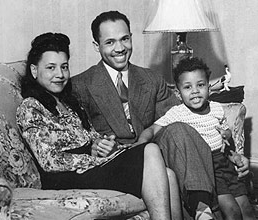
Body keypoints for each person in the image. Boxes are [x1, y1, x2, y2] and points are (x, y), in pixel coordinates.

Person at [71, 10, 251, 219]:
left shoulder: (151, 78)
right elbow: (74, 133)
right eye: (110, 42)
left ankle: (203, 209)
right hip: (117, 161)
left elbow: (185, 120)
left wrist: (232, 155)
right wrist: (95, 145)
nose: (120, 48)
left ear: (131, 38)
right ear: (97, 46)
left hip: (157, 153)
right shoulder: (80, 85)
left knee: (179, 128)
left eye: (125, 39)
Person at [15, 32, 182, 220]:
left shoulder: (70, 103)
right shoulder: (30, 106)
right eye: (51, 68)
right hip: (66, 177)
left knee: (168, 175)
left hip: (91, 170)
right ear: (35, 70)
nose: (60, 75)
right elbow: (49, 161)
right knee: (150, 149)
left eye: (64, 67)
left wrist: (101, 146)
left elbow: (93, 138)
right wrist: (91, 158)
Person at [138, 57, 256, 220]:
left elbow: (225, 138)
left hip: (225, 163)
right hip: (207, 167)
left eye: (200, 85)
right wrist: (140, 145)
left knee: (247, 210)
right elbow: (152, 130)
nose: (194, 91)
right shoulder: (177, 113)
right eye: (187, 87)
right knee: (232, 211)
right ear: (178, 93)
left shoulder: (216, 109)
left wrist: (233, 151)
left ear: (208, 86)